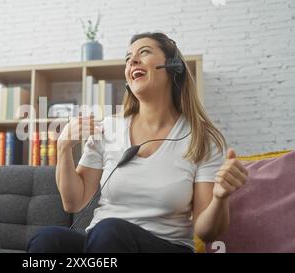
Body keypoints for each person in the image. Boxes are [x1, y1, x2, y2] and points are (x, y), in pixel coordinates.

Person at [27, 32, 248, 253]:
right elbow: (73, 203)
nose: (132, 60)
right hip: (103, 243)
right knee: (48, 240)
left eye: (144, 52)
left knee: (109, 232)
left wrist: (220, 197)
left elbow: (206, 231)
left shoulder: (201, 138)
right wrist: (63, 147)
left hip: (166, 246)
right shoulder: (108, 129)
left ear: (173, 68)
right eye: (128, 58)